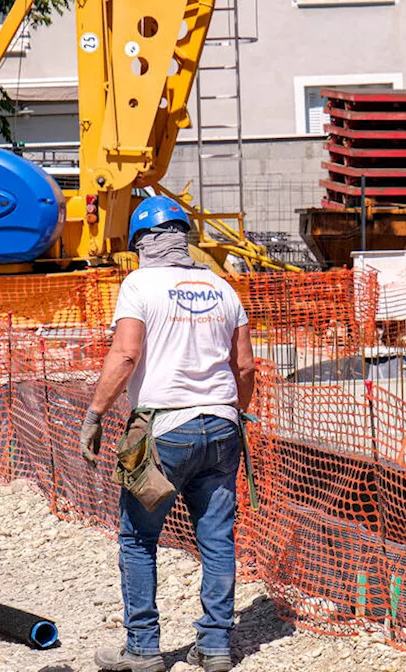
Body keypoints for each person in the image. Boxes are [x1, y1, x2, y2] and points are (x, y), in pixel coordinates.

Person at [81, 195, 255, 672]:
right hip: (221, 428)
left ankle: (143, 649)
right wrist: (235, 413)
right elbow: (244, 365)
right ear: (183, 239)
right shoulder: (223, 288)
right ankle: (216, 646)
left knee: (138, 538)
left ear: (143, 243)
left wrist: (96, 413)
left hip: (164, 432)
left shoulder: (139, 284)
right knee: (217, 539)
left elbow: (125, 355)